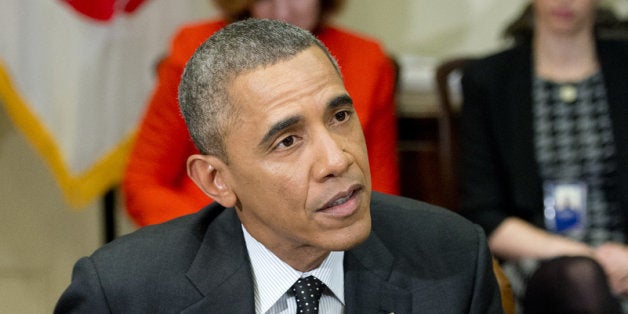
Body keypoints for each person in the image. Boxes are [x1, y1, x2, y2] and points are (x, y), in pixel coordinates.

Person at [55, 19, 503, 313]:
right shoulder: (120, 295)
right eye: (287, 140)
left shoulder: (454, 259)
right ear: (217, 180)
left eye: (340, 116)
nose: (337, 159)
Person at [122, 0, 400, 226]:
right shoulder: (195, 50)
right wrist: (210, 238)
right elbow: (143, 182)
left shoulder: (367, 59)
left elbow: (379, 190)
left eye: (339, 116)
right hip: (210, 228)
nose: (282, 12)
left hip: (325, 235)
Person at [459, 0, 628, 312]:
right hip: (538, 255)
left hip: (624, 254)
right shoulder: (489, 79)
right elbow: (483, 213)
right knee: (581, 277)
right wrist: (589, 256)